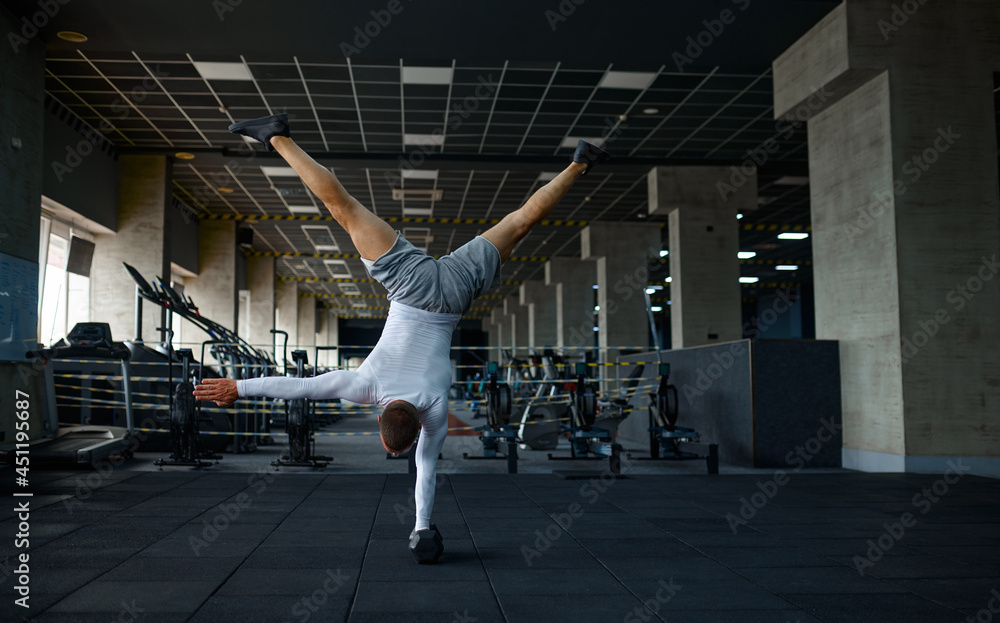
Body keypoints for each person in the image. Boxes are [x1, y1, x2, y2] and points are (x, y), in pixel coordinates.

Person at [193, 113, 609, 543]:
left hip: (454, 297)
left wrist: (423, 527)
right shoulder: (364, 387)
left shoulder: (433, 410)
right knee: (344, 209)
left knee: (521, 223)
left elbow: (426, 471)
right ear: (379, 423)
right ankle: (277, 137)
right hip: (408, 285)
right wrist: (237, 388)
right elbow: (298, 387)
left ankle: (580, 162)